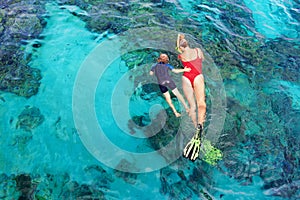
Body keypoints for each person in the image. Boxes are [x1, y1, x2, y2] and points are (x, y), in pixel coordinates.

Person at [176, 34, 206, 133]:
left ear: (180, 47)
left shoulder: (181, 56)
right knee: (201, 104)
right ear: (188, 43)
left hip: (186, 78)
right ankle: (200, 125)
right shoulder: (198, 51)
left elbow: (178, 48)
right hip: (198, 76)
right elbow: (203, 59)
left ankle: (194, 129)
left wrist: (178, 37)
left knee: (192, 106)